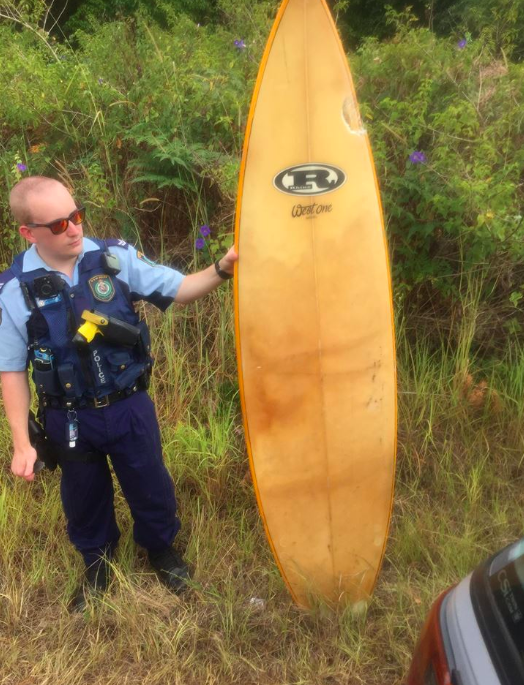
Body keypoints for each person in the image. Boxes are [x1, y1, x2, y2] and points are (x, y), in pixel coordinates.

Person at [0, 176, 238, 610]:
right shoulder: (14, 289)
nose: (74, 228)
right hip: (68, 417)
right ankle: (99, 564)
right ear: (28, 233)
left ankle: (161, 550)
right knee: (83, 497)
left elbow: (180, 289)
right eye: (58, 225)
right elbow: (12, 369)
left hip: (128, 405)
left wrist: (223, 268)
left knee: (150, 483)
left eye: (76, 216)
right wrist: (21, 442)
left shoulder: (114, 258)